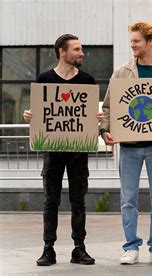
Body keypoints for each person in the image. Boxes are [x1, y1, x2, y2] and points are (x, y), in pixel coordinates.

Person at [99, 22, 152, 265]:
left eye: (136, 41)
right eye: (132, 41)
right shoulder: (121, 73)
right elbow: (107, 108)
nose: (132, 45)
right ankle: (131, 247)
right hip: (129, 148)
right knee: (128, 199)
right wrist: (105, 130)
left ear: (150, 42)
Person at [23, 34, 98, 266]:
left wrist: (97, 118)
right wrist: (30, 117)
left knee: (79, 201)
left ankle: (79, 248)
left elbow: (88, 116)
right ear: (61, 52)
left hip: (78, 152)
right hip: (53, 151)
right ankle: (48, 249)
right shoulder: (44, 79)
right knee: (50, 201)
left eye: (81, 49)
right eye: (76, 49)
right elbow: (41, 113)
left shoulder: (87, 80)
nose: (82, 53)